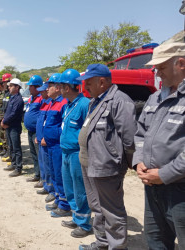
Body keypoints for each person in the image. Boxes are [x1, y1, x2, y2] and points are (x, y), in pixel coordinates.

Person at [77, 64, 136, 250]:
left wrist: (125, 164)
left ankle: (117, 247)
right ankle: (102, 243)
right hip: (90, 164)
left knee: (112, 212)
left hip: (107, 166)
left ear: (101, 82)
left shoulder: (119, 100)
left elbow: (130, 138)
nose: (85, 87)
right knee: (97, 208)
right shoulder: (96, 100)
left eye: (88, 82)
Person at [133, 42, 185, 249]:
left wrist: (164, 174)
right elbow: (140, 133)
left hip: (179, 189)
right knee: (155, 240)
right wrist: (139, 161)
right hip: (152, 187)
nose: (157, 73)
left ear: (180, 63)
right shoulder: (155, 97)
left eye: (161, 67)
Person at [59, 69, 91, 238]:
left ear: (68, 87)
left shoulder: (85, 104)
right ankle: (76, 216)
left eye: (61, 86)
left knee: (80, 189)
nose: (59, 89)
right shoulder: (68, 105)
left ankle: (84, 224)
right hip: (65, 152)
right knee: (69, 188)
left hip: (76, 154)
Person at [43, 76, 71, 218]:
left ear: (58, 88)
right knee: (53, 173)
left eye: (50, 86)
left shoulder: (64, 103)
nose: (47, 89)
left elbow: (64, 126)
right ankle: (58, 199)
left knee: (60, 175)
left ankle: (65, 206)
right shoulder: (52, 103)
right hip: (50, 145)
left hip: (58, 145)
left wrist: (54, 136)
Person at [35, 74, 58, 197]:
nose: (42, 93)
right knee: (43, 163)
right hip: (41, 138)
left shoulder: (52, 103)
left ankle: (51, 189)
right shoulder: (45, 103)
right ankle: (45, 184)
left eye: (42, 91)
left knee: (50, 167)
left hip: (48, 140)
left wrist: (45, 136)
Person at [2, 78, 24, 177]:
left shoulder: (18, 99)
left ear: (17, 87)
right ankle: (13, 164)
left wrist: (5, 121)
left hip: (14, 126)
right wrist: (4, 120)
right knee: (11, 146)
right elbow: (7, 112)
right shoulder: (12, 98)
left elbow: (14, 114)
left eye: (11, 86)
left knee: (16, 148)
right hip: (9, 126)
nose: (9, 87)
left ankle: (18, 168)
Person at [24, 75, 43, 182]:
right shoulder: (31, 98)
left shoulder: (41, 98)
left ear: (36, 87)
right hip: (30, 131)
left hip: (37, 131)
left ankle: (42, 178)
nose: (28, 88)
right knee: (33, 154)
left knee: (40, 155)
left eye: (30, 86)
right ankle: (37, 174)